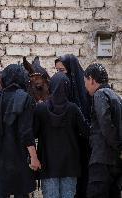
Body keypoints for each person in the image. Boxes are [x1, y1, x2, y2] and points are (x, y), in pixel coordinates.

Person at [0, 64, 41, 198]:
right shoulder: (26, 98)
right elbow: (26, 133)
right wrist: (34, 158)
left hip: (1, 161)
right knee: (22, 194)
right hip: (21, 161)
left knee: (2, 194)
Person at [34, 72, 88, 198]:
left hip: (48, 165)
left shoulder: (41, 109)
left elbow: (34, 133)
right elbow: (86, 132)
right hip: (70, 165)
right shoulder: (73, 109)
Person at [55, 54, 91, 198]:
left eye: (61, 70)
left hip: (83, 147)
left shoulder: (86, 91)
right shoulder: (61, 91)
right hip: (66, 149)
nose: (58, 74)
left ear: (71, 70)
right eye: (56, 70)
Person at [84, 63, 122, 198]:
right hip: (115, 163)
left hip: (101, 162)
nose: (85, 86)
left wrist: (118, 147)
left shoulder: (99, 94)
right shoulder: (116, 97)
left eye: (85, 81)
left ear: (92, 79)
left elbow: (106, 125)